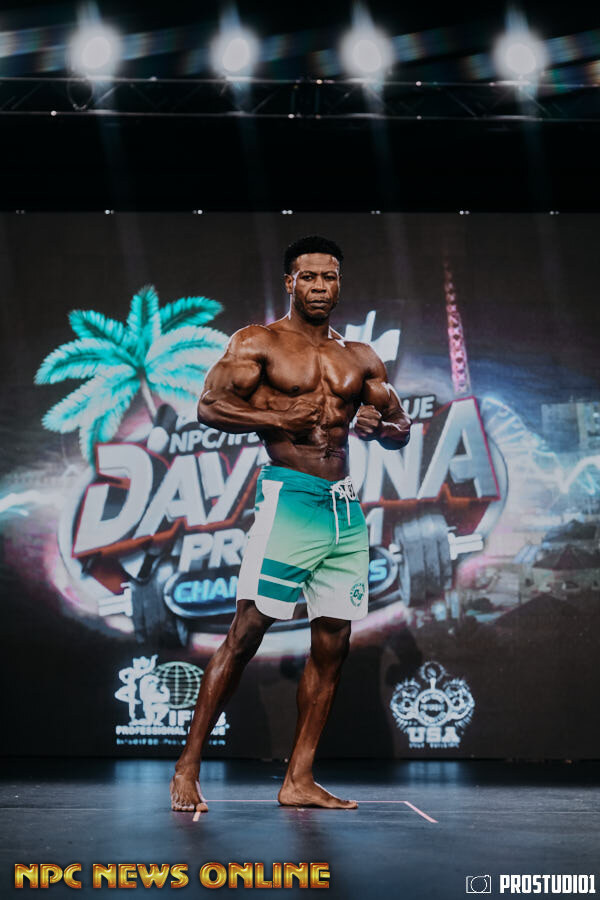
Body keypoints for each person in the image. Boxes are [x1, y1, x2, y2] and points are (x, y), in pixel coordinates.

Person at [170, 235, 411, 812]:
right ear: (290, 282)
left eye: (329, 277)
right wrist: (276, 417)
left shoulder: (360, 357)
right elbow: (209, 405)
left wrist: (381, 429)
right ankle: (187, 767)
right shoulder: (258, 342)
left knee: (333, 642)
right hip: (290, 499)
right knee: (248, 630)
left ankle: (298, 779)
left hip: (344, 507)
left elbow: (399, 424)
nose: (320, 287)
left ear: (339, 283)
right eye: (309, 277)